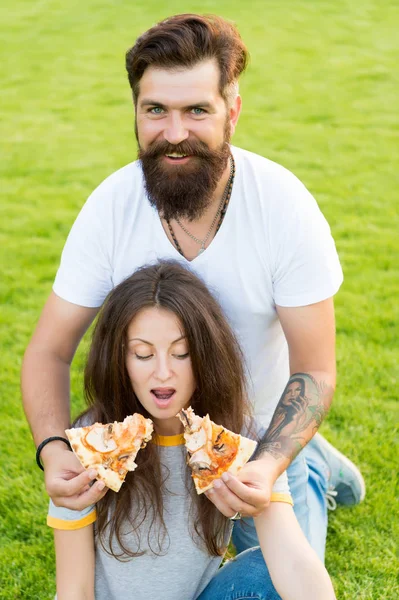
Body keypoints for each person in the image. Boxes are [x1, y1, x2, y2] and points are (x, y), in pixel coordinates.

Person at [22, 12, 365, 566]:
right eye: (155, 110)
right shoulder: (110, 206)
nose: (174, 133)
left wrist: (269, 463)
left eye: (196, 110)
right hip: (145, 444)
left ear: (232, 110)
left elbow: (315, 370)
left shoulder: (284, 206)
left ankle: (310, 462)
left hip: (256, 440)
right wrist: (53, 449)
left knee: (282, 582)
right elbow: (49, 350)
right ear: (135, 110)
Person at [49, 261, 336, 600]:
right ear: (119, 358)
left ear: (204, 354)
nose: (163, 373)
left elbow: (295, 564)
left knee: (266, 570)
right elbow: (74, 590)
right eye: (142, 354)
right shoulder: (92, 442)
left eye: (181, 353)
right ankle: (318, 462)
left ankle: (315, 466)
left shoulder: (238, 439)